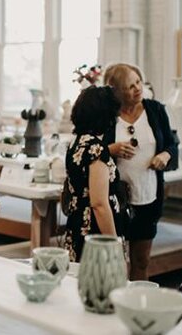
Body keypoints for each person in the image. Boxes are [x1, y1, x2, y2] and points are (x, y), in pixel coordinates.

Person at [103, 63, 178, 280]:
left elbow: (171, 145)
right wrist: (112, 149)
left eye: (138, 82)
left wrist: (165, 155)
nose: (138, 88)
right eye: (130, 86)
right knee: (115, 261)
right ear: (115, 90)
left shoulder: (155, 110)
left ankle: (136, 302)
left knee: (141, 260)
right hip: (116, 199)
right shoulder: (107, 116)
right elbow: (92, 150)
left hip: (148, 195)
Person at [63, 86, 127, 262]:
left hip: (77, 220)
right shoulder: (96, 149)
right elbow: (99, 203)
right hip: (94, 230)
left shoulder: (76, 142)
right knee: (101, 283)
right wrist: (114, 245)